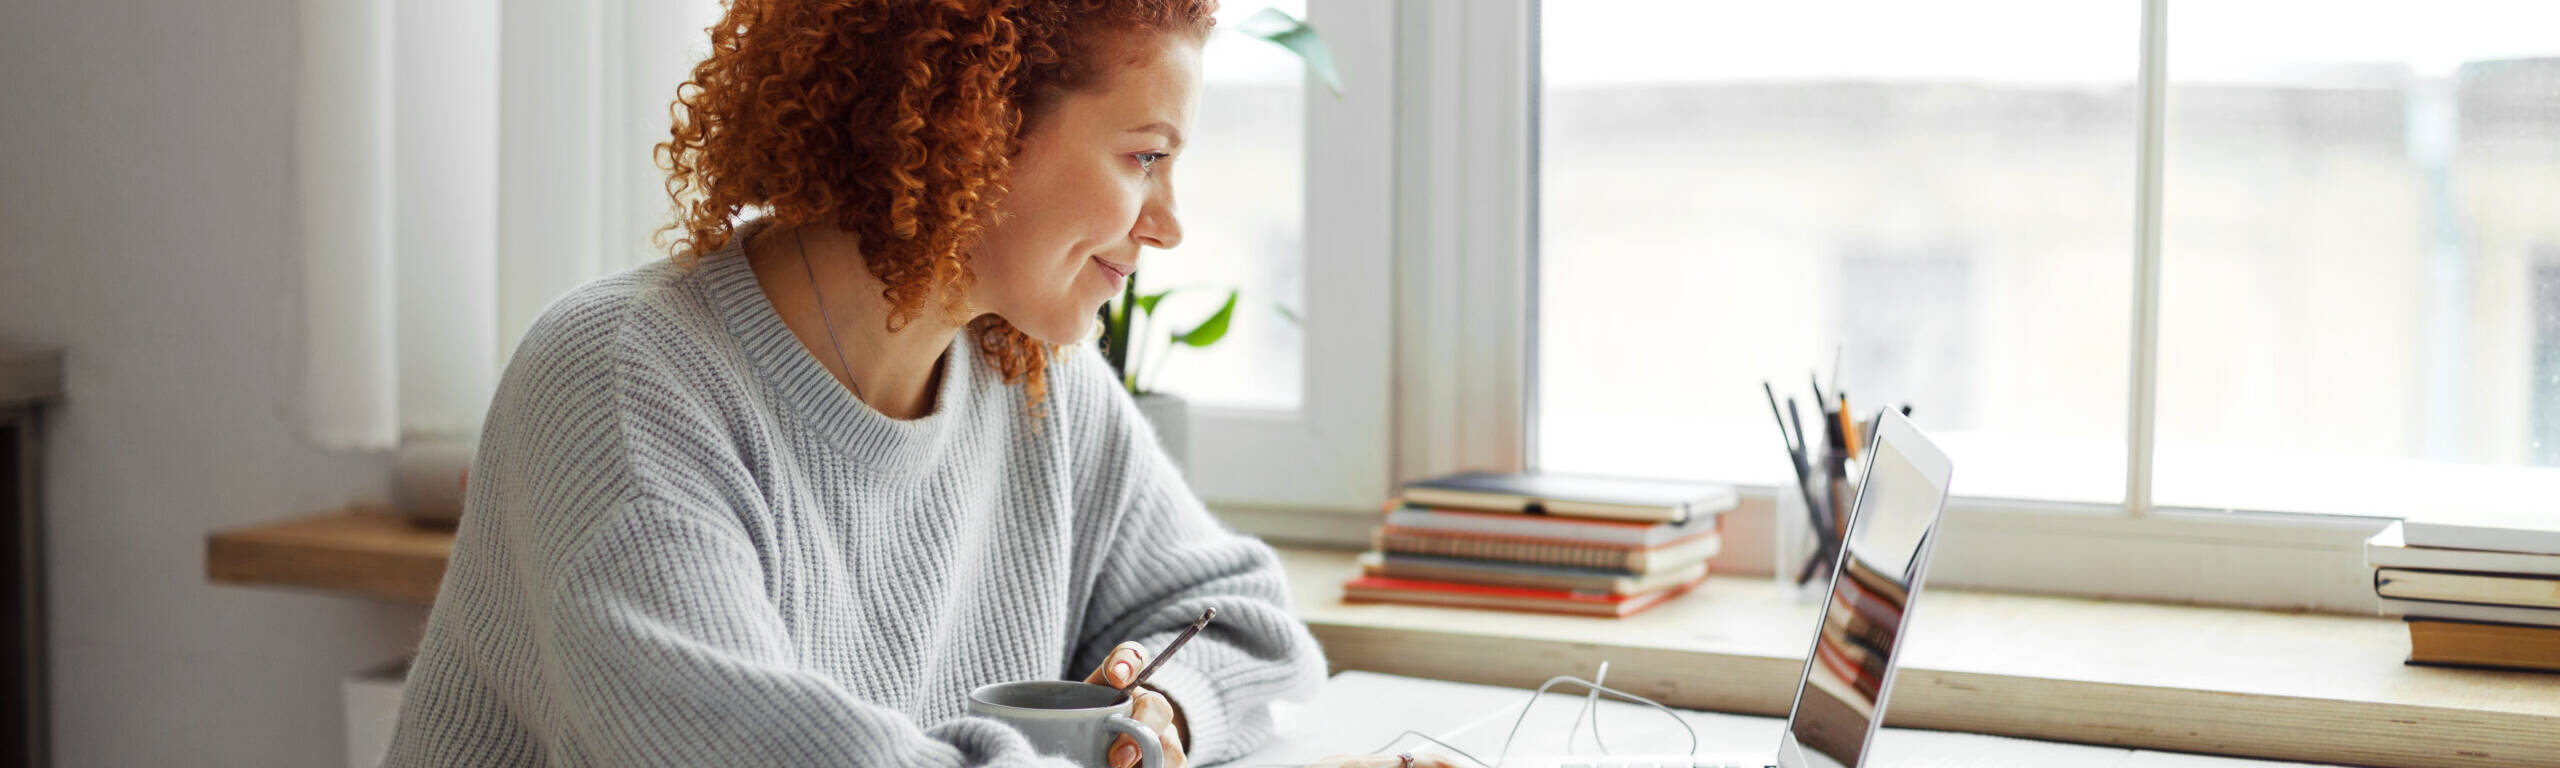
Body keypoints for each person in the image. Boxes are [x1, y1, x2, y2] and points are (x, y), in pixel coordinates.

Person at [376, 1, 1402, 765]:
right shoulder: (621, 384)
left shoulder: (1033, 381)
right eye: (1143, 155)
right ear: (973, 127)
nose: (1167, 221)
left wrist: (1159, 716)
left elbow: (1246, 625)